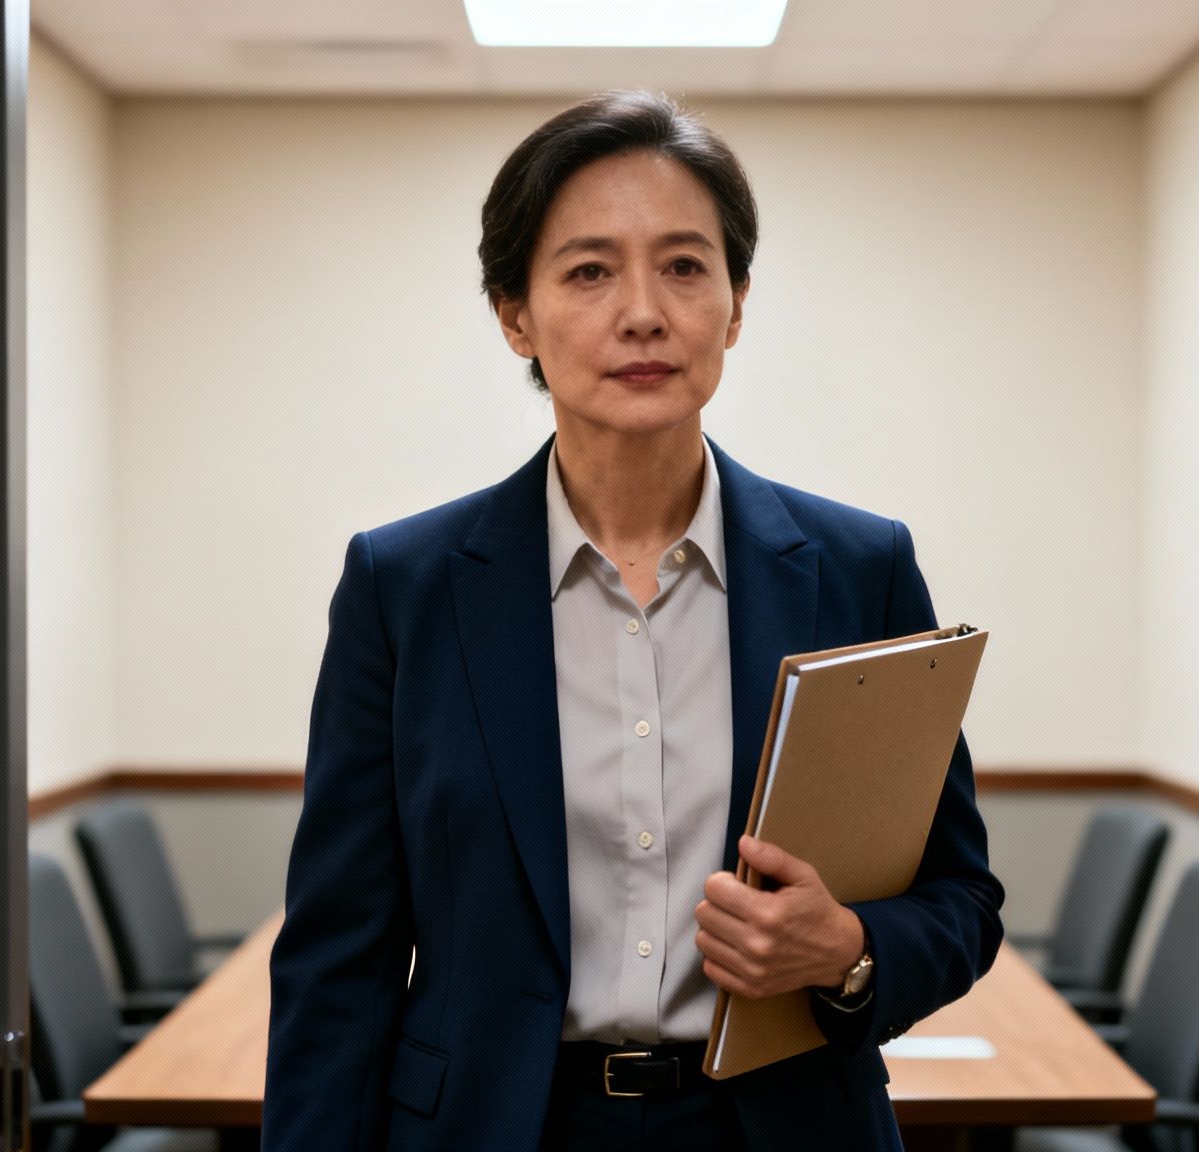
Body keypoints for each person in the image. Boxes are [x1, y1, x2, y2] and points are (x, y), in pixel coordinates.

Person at [264, 90, 1004, 1152]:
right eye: (589, 271)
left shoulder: (857, 569)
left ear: (735, 306)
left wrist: (846, 948)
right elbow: (340, 957)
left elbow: (960, 898)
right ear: (514, 314)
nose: (644, 313)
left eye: (685, 266)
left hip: (780, 1129)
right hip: (496, 1127)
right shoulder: (405, 586)